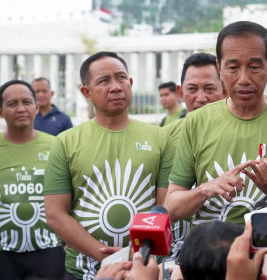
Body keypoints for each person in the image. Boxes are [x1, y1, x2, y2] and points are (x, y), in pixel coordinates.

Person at [165, 21, 267, 226]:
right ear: (219, 68)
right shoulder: (196, 121)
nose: (243, 79)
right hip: (209, 254)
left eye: (255, 67)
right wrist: (206, 189)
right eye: (233, 67)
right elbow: (171, 207)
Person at [44, 52, 174, 279]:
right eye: (104, 81)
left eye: (121, 78)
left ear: (130, 83)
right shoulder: (65, 142)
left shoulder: (160, 138)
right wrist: (104, 255)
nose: (115, 87)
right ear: (86, 92)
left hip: (147, 267)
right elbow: (55, 214)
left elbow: (165, 206)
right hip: (83, 271)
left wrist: (137, 254)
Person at [163, 52, 227, 256]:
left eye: (209, 89)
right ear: (180, 92)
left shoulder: (243, 133)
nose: (201, 98)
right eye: (192, 89)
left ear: (225, 90)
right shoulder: (162, 139)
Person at [0, 80, 65, 279]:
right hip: (4, 252)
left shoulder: (57, 146)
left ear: (36, 107)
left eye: (27, 102)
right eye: (12, 104)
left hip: (49, 249)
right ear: (1, 111)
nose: (21, 108)